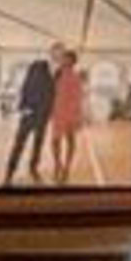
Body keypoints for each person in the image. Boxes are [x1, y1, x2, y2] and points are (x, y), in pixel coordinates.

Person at [0, 49, 55, 187]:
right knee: (29, 146)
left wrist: (26, 110)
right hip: (36, 119)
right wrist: (30, 111)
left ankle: (13, 173)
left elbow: (30, 100)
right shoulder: (47, 81)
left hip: (33, 119)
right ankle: (18, 171)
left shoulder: (35, 80)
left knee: (22, 146)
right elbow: (48, 101)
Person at [44, 42, 87, 185]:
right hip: (57, 112)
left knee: (70, 141)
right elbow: (51, 93)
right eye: (64, 58)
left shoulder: (76, 76)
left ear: (73, 61)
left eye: (67, 58)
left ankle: (67, 168)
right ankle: (58, 164)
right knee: (55, 141)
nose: (64, 60)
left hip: (70, 112)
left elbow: (79, 97)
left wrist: (76, 116)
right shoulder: (57, 74)